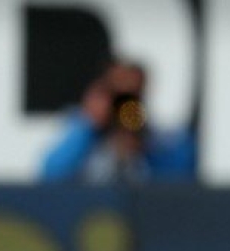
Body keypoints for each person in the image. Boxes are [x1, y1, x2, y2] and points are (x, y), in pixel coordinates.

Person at [41, 60, 195, 183]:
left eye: (131, 95)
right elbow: (51, 174)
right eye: (116, 93)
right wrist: (89, 124)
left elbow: (182, 179)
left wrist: (142, 141)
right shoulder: (80, 129)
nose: (122, 103)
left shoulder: (158, 140)